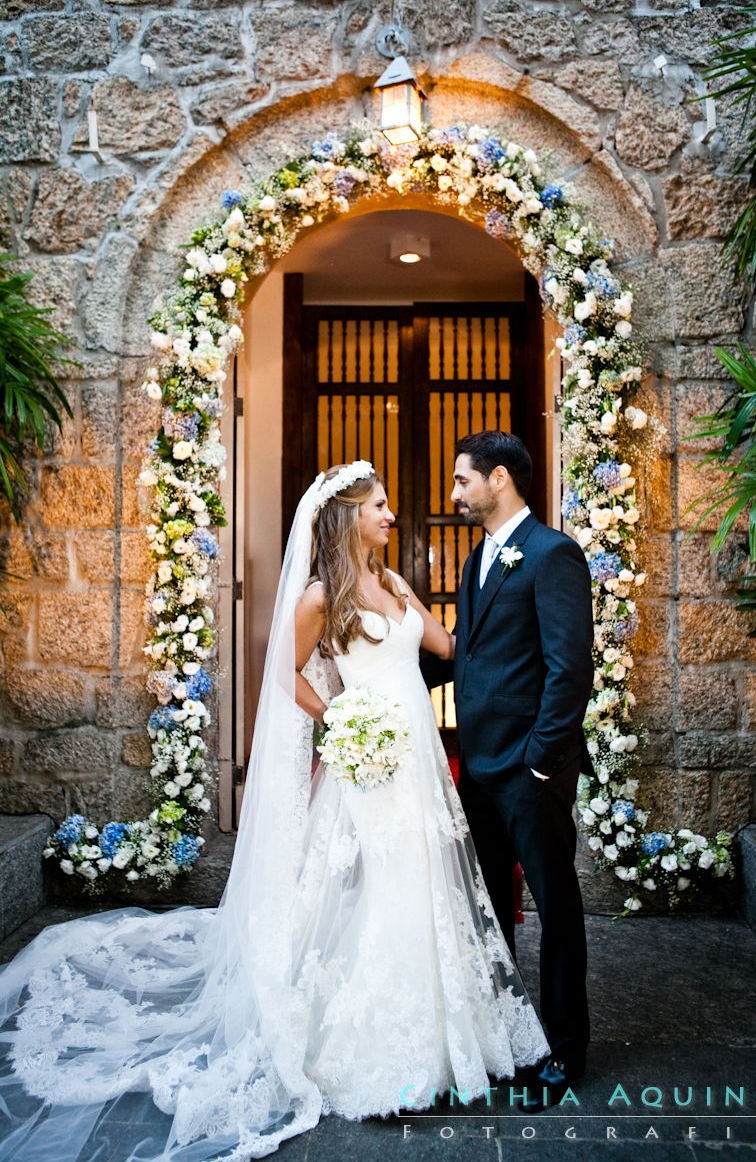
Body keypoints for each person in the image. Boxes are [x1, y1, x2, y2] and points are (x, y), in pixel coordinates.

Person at [0, 460, 549, 1162]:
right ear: (349, 517)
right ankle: (375, 1045)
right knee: (386, 887)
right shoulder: (322, 598)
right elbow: (284, 676)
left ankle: (445, 1035)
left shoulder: (392, 582)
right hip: (369, 761)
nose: (391, 516)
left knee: (428, 883)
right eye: (379, 506)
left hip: (418, 765)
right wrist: (340, 719)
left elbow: (446, 648)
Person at [443, 431, 594, 1096]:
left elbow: (570, 670)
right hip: (479, 767)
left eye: (462, 481)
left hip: (530, 773)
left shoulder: (551, 554)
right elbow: (465, 655)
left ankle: (565, 1048)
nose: (455, 494)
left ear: (498, 479)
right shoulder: (481, 560)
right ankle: (508, 1031)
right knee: (490, 910)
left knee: (555, 908)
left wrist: (540, 763)